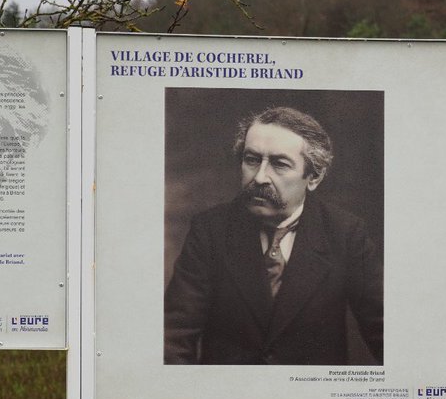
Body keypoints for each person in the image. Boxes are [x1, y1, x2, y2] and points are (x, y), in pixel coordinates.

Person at [164, 106, 383, 364]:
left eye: (279, 164)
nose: (260, 178)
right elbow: (174, 337)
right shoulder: (210, 230)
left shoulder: (345, 234)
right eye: (252, 160)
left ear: (314, 177)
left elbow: (386, 331)